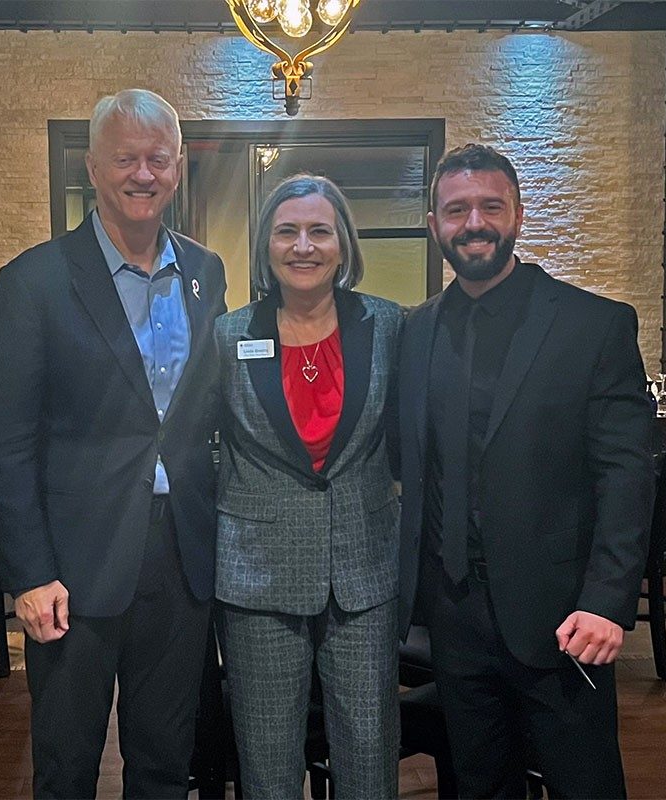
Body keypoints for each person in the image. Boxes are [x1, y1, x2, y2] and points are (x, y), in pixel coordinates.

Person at [0, 89, 227, 798]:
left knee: (162, 764)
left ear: (178, 169)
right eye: (126, 158)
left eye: (158, 159)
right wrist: (27, 573)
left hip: (181, 561)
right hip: (71, 572)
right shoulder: (34, 282)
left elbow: (205, 412)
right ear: (94, 167)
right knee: (65, 767)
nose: (143, 174)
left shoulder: (206, 275)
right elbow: (4, 443)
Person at [398, 144, 655, 798]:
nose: (474, 222)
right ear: (435, 224)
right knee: (479, 785)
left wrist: (607, 601)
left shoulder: (592, 325)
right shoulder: (415, 331)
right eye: (457, 210)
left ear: (518, 214)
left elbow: (626, 474)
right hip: (452, 617)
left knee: (584, 784)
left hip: (562, 616)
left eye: (490, 206)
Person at [214, 174, 402, 799]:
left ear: (343, 246)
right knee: (266, 764)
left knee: (370, 756)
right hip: (257, 578)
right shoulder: (229, 335)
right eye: (287, 231)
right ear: (267, 246)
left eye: (320, 231)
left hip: (363, 575)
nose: (304, 245)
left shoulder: (391, 327)